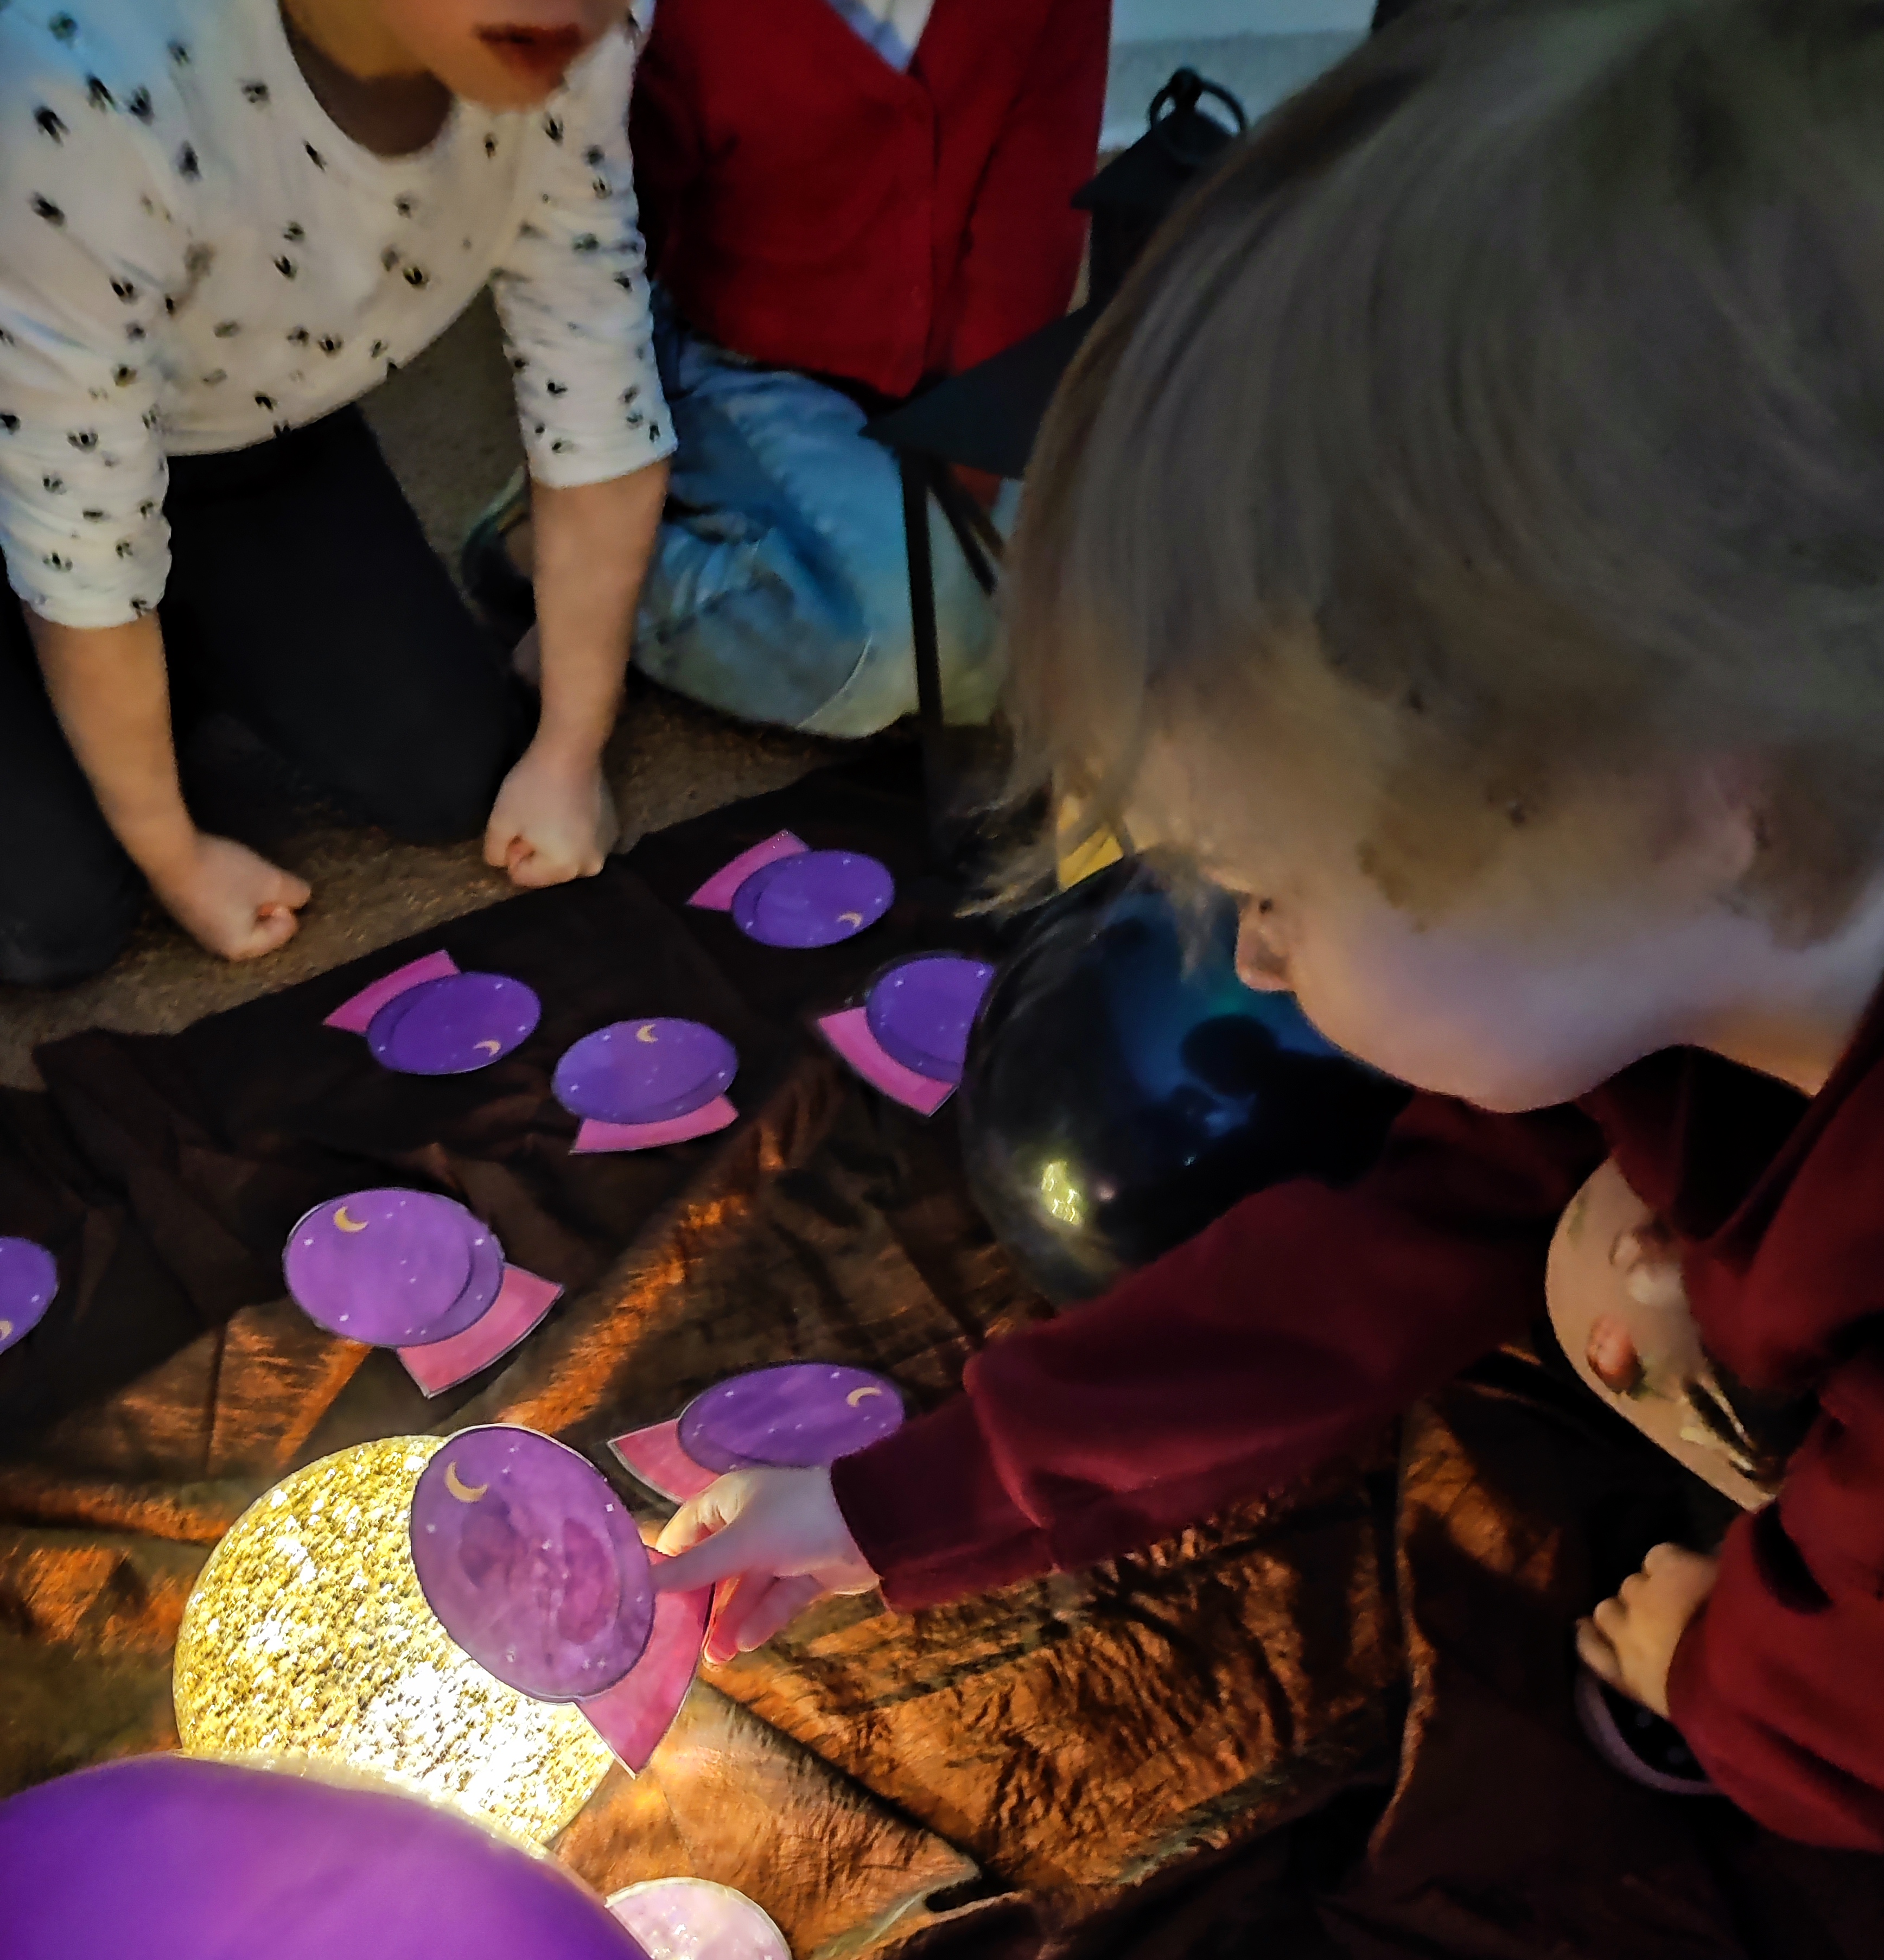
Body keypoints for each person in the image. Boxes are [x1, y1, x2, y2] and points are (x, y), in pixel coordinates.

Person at [651, 0, 1884, 1854]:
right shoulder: (1687, 885)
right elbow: (1376, 1260)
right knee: (1591, 1254)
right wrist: (890, 1507)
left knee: (1627, 1321)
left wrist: (1726, 1668)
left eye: (1274, 893)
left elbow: (1856, 1724)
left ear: (1708, 797)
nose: (1243, 964)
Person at [0, 0, 674, 983]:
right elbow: (82, 547)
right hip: (41, 423)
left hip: (227, 420)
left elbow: (598, 382)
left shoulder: (569, 33)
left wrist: (573, 749)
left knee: (451, 771)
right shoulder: (78, 85)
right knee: (56, 919)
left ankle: (157, 661)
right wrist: (176, 857)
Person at [470, 0, 1110, 736]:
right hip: (741, 363)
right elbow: (605, 248)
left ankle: (888, 578)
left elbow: (1030, 231)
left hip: (950, 389)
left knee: (1085, 613)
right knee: (928, 641)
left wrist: (965, 497)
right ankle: (566, 564)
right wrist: (587, 496)